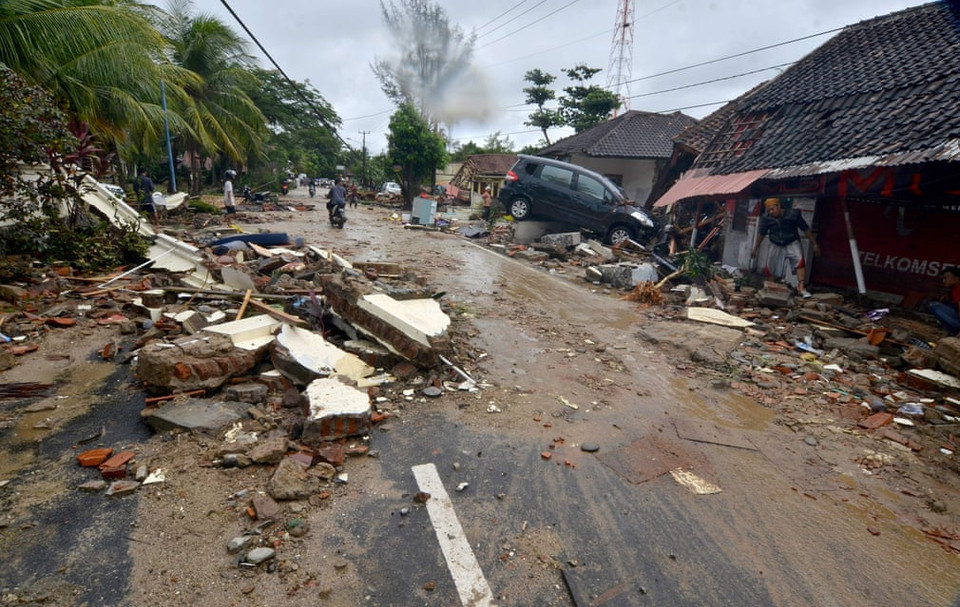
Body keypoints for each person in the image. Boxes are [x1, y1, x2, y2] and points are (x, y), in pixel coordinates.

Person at [752, 197, 819, 298]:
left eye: (772, 209)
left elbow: (805, 229)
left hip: (792, 241)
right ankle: (770, 287)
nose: (771, 212)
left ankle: (801, 287)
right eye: (768, 210)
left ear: (779, 206)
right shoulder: (767, 219)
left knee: (799, 261)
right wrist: (755, 249)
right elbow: (761, 234)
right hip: (775, 242)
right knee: (770, 265)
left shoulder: (793, 214)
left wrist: (814, 244)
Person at [931, 266, 960, 336]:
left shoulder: (958, 290)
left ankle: (954, 331)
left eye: (946, 278)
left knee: (935, 306)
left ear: (957, 278)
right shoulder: (955, 290)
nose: (944, 281)